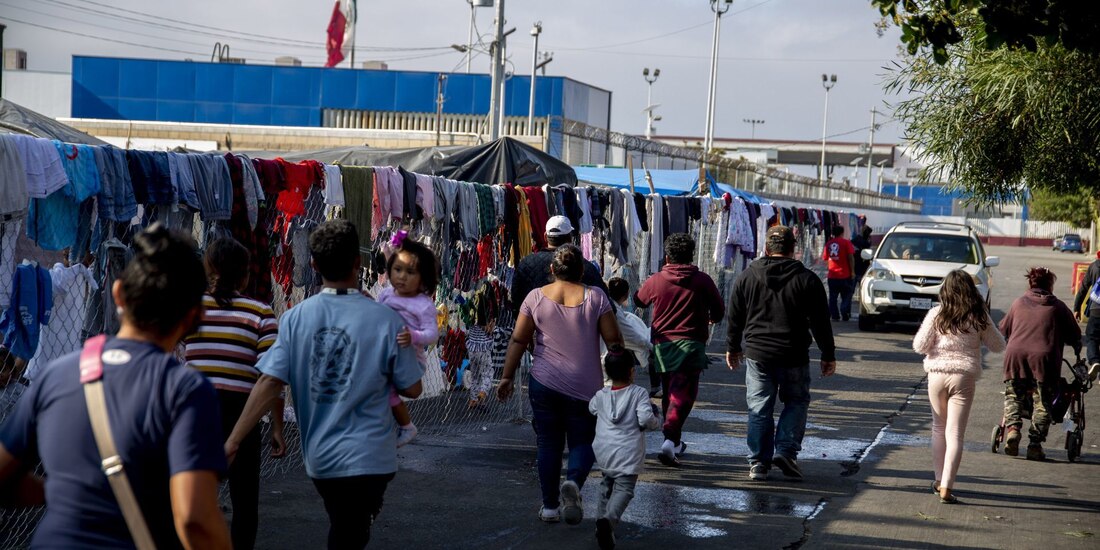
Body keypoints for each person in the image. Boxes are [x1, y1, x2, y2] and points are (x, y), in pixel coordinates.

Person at [0, 224, 231, 549]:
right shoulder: (185, 390)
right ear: (194, 318)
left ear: (119, 294)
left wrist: (64, 492)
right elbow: (195, 518)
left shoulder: (58, 375)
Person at [225, 219, 423, 549]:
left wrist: (233, 441)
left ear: (314, 265)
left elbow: (269, 381)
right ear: (358, 262)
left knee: (346, 524)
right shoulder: (388, 320)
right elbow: (413, 388)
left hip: (322, 457)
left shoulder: (295, 318)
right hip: (373, 457)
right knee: (350, 529)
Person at [496, 244, 622, 526]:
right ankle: (574, 482)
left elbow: (518, 339)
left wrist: (506, 377)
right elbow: (614, 342)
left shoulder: (535, 297)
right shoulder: (596, 297)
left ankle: (550, 507)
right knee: (583, 441)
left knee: (548, 443)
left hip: (544, 383)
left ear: (551, 269)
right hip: (585, 386)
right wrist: (622, 380)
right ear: (582, 271)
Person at [184, 237, 285, 550]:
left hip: (196, 413)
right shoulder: (261, 314)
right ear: (245, 276)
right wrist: (277, 427)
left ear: (208, 270)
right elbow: (271, 378)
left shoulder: (189, 309)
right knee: (245, 502)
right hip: (243, 416)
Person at [726, 225, 837, 481]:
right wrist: (827, 354)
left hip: (758, 354)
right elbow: (821, 322)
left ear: (766, 248)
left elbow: (735, 316)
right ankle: (785, 451)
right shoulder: (807, 279)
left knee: (759, 408)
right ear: (793, 249)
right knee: (796, 402)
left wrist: (733, 347)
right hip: (793, 354)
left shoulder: (747, 277)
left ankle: (758, 463)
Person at [913, 270, 1006, 504]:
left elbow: (920, 345)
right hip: (963, 377)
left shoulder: (936, 314)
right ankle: (947, 485)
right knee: (955, 433)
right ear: (970, 291)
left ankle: (937, 480)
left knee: (938, 428)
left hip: (937, 376)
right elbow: (998, 345)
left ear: (945, 290)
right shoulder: (978, 315)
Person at [634, 233, 724, 467]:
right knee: (684, 394)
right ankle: (670, 436)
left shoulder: (657, 280)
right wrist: (711, 317)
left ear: (667, 256)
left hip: (663, 345)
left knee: (670, 392)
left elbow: (639, 300)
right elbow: (719, 310)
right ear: (691, 255)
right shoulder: (702, 280)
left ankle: (672, 441)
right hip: (691, 344)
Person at [999, 267, 1081, 461]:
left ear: (1031, 283)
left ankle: (1013, 430)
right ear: (1050, 285)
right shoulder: (1058, 307)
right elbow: (1075, 335)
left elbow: (1003, 329)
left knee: (1014, 396)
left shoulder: (1018, 303)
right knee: (1043, 402)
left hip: (1016, 356)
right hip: (1045, 360)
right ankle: (1034, 445)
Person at [588, 346, 661, 550]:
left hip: (604, 451)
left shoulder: (601, 394)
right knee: (625, 489)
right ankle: (609, 520)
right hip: (628, 453)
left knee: (606, 485)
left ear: (607, 372)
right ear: (631, 371)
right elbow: (645, 419)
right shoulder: (638, 393)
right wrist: (656, 420)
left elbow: (591, 408)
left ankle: (601, 524)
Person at [376, 232, 440, 447]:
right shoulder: (386, 294)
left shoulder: (423, 304)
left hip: (410, 359)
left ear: (423, 278)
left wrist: (413, 336)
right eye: (397, 269)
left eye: (410, 272)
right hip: (388, 353)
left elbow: (432, 334)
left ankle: (406, 426)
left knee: (385, 387)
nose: (402, 277)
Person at [510, 215, 609, 315]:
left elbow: (516, 300)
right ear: (570, 238)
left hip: (534, 322)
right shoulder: (584, 266)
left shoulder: (526, 264)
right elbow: (605, 305)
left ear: (545, 237)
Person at [606, 277, 654, 394]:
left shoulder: (613, 307)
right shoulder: (616, 311)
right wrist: (650, 346)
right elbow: (632, 336)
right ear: (626, 294)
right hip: (613, 351)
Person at [1071, 250, 1100, 382]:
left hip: (1096, 309)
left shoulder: (1094, 266)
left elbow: (1083, 288)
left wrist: (1076, 308)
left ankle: (1095, 360)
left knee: (1092, 337)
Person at [823, 225, 857, 321]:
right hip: (845, 275)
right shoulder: (846, 243)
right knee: (847, 295)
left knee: (833, 297)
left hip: (832, 276)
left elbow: (825, 258)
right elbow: (851, 257)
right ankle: (844, 310)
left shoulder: (828, 244)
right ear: (842, 233)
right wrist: (852, 271)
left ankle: (835, 315)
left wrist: (830, 268)